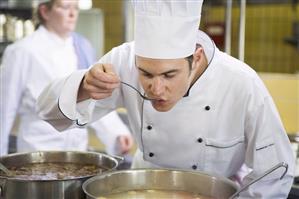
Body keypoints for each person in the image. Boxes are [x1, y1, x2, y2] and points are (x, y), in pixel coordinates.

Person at [37, 0, 295, 198]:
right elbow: (46, 110)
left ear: (196, 59)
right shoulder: (123, 61)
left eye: (169, 75)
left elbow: (275, 170)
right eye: (145, 74)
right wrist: (83, 86)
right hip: (140, 189)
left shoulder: (241, 82)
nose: (156, 89)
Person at [0, 0, 134, 157]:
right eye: (65, 7)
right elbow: (4, 108)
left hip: (77, 151)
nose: (72, 14)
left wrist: (116, 133)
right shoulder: (22, 51)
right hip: (38, 150)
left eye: (75, 8)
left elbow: (93, 98)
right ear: (45, 11)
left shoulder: (82, 47)